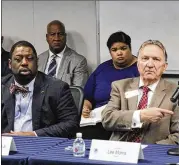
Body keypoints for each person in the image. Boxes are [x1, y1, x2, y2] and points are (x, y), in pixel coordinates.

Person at [102, 40, 179, 144]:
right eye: (145, 58)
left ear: (164, 66)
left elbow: (177, 135)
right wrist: (139, 116)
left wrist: (148, 150)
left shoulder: (175, 92)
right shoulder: (120, 86)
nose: (150, 64)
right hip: (120, 151)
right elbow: (107, 119)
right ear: (138, 64)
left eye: (156, 59)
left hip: (153, 153)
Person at [2, 40, 79, 138]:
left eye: (30, 59)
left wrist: (34, 134)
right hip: (6, 146)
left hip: (41, 145)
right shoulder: (2, 86)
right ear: (9, 64)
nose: (24, 63)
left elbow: (71, 124)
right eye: (18, 59)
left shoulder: (57, 88)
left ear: (37, 62)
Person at [80, 31, 139, 140]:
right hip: (97, 120)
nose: (119, 53)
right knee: (81, 136)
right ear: (110, 52)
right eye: (114, 50)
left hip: (123, 121)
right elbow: (88, 97)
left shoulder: (140, 69)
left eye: (123, 48)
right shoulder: (102, 69)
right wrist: (86, 107)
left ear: (130, 48)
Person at [38, 20, 88, 87]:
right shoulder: (38, 60)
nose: (57, 38)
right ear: (47, 37)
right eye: (52, 34)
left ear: (65, 36)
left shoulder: (78, 61)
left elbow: (77, 93)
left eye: (60, 34)